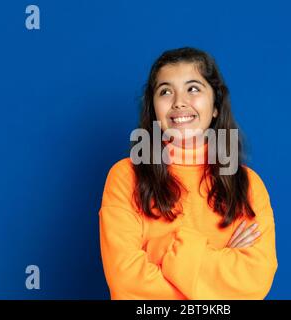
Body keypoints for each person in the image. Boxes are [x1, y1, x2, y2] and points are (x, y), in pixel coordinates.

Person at [99, 47, 278, 300]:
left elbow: (254, 281)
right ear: (153, 108)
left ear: (215, 105)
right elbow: (127, 286)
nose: (179, 102)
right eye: (165, 91)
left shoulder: (248, 184)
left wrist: (163, 252)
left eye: (193, 88)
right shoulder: (125, 177)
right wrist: (220, 262)